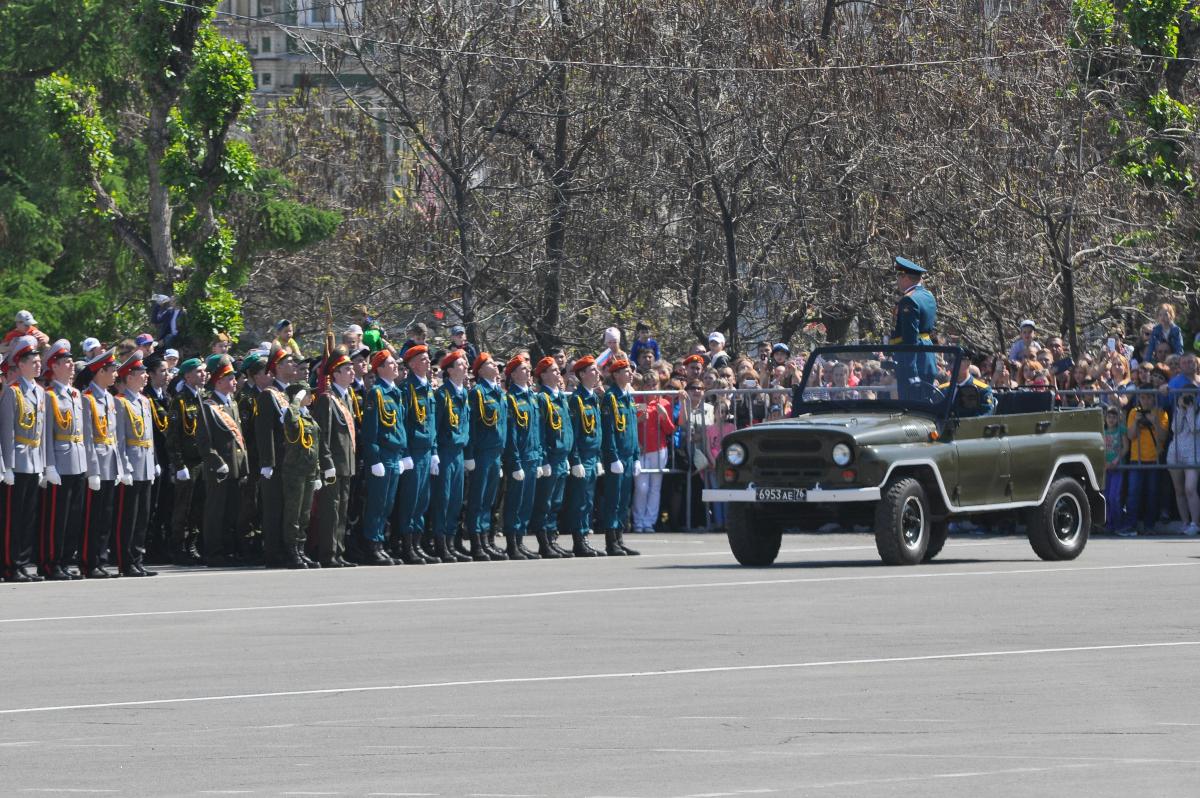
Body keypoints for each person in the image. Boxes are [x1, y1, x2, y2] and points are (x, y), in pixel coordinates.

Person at [1, 336, 47, 582]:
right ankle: (9, 564)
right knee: (13, 516)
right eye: (33, 361)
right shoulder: (13, 392)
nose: (39, 365)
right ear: (21, 365)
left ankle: (21, 563)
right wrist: (7, 466)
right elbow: (8, 431)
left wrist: (41, 464)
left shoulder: (39, 392)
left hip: (33, 461)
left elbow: (40, 431)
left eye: (39, 361)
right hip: (17, 461)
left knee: (28, 516)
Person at [40, 341, 87, 580]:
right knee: (56, 518)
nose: (71, 366)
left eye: (71, 362)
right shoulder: (49, 396)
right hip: (59, 462)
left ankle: (66, 560)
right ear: (54, 366)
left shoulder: (75, 394)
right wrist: (49, 465)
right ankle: (51, 562)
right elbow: (46, 434)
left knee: (73, 516)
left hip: (78, 462)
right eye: (66, 363)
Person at [76, 347, 124, 578]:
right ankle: (88, 561)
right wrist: (92, 471)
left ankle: (100, 560)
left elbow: (114, 437)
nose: (115, 374)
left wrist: (119, 468)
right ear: (100, 372)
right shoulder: (87, 399)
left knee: (106, 516)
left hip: (109, 464)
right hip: (96, 465)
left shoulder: (109, 398)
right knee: (92, 517)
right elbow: (87, 438)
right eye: (112, 370)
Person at [198, 353, 250, 566]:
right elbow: (204, 441)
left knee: (232, 511)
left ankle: (228, 549)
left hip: (235, 466)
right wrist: (217, 462)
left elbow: (239, 439)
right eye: (230, 378)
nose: (235, 381)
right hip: (219, 468)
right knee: (216, 512)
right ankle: (213, 551)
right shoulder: (208, 405)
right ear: (218, 381)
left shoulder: (233, 404)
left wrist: (244, 464)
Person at [112, 353, 158, 577]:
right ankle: (125, 561)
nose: (146, 376)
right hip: (131, 465)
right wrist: (124, 467)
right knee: (127, 517)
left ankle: (138, 558)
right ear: (129, 377)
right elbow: (119, 439)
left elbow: (149, 436)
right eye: (141, 373)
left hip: (146, 464)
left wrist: (154, 462)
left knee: (142, 516)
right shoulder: (120, 402)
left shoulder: (145, 401)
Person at [312, 348, 359, 568]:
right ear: (336, 373)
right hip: (333, 465)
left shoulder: (346, 398)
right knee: (330, 510)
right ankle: (328, 553)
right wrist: (327, 463)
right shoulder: (327, 400)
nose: (352, 372)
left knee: (342, 509)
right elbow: (323, 435)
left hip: (346, 464)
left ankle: (338, 551)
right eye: (347, 369)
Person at [360, 350, 407, 565]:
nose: (396, 366)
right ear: (379, 369)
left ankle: (381, 542)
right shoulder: (376, 393)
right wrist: (374, 459)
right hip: (382, 455)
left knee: (388, 504)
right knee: (377, 503)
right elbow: (370, 431)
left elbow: (400, 427)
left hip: (395, 454)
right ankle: (372, 544)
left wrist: (403, 454)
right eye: (390, 364)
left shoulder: (395, 393)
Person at [393, 344, 438, 563]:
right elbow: (404, 424)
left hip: (427, 451)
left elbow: (432, 422)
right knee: (410, 500)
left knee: (422, 500)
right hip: (414, 452)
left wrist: (435, 451)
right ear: (411, 364)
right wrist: (407, 453)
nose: (428, 362)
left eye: (428, 359)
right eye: (422, 359)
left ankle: (418, 544)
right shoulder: (406, 389)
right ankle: (407, 545)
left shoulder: (428, 388)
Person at [255, 346, 298, 568]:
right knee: (275, 508)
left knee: (291, 508)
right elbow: (265, 431)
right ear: (278, 367)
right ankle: (273, 552)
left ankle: (290, 549)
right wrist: (267, 462)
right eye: (289, 362)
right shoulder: (268, 395)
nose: (294, 366)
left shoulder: (292, 393)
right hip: (278, 461)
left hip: (293, 461)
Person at [464, 353, 508, 560]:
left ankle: (487, 540)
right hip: (481, 454)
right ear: (480, 370)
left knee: (489, 500)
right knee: (478, 499)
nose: (496, 367)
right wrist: (470, 454)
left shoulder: (498, 392)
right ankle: (477, 542)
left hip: (495, 454)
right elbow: (472, 426)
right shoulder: (478, 393)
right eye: (491, 364)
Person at [430, 349, 472, 562]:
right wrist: (435, 453)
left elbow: (467, 426)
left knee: (456, 500)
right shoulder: (442, 395)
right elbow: (435, 427)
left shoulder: (463, 393)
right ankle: (440, 543)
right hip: (445, 452)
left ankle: (451, 541)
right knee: (443, 499)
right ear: (449, 370)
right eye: (461, 364)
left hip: (458, 452)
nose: (465, 367)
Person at [529, 356, 574, 558]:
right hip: (551, 456)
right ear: (543, 375)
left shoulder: (561, 397)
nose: (558, 373)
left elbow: (568, 429)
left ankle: (552, 539)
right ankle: (543, 541)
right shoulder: (542, 399)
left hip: (562, 455)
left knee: (556, 502)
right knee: (545, 503)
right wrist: (545, 459)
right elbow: (541, 432)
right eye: (554, 370)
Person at [500, 354, 543, 560]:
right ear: (514, 373)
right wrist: (515, 462)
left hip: (533, 457)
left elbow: (538, 430)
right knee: (515, 502)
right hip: (521, 458)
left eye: (528, 368)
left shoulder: (532, 397)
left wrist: (540, 458)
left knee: (526, 502)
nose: (528, 372)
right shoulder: (512, 399)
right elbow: (512, 435)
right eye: (524, 369)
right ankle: (512, 542)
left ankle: (521, 540)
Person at [563, 355, 605, 556]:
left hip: (592, 456)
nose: (597, 373)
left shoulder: (593, 398)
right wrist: (576, 460)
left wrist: (597, 459)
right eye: (593, 370)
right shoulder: (577, 399)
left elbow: (597, 431)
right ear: (581, 374)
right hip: (581, 456)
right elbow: (574, 433)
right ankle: (578, 540)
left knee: (588, 500)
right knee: (579, 501)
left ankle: (584, 538)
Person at [598, 358, 641, 555]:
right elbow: (610, 431)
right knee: (613, 499)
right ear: (615, 375)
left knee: (624, 500)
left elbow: (633, 430)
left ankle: (620, 538)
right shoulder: (611, 398)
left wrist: (637, 456)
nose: (630, 374)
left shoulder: (628, 397)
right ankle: (611, 541)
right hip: (617, 456)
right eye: (625, 371)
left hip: (629, 455)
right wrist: (613, 456)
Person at [279, 383, 322, 568]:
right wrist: (295, 400)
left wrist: (318, 472)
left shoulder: (308, 417)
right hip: (294, 471)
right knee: (293, 514)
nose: (311, 396)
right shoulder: (291, 414)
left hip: (309, 471)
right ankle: (292, 552)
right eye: (307, 393)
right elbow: (293, 424)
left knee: (304, 514)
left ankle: (301, 550)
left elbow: (315, 446)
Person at [166, 358, 206, 564]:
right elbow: (172, 437)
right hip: (188, 463)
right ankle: (178, 547)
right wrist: (179, 465)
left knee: (197, 507)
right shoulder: (179, 401)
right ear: (188, 375)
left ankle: (192, 545)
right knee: (183, 507)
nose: (203, 375)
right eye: (198, 372)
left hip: (202, 462)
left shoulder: (203, 398)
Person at [1119, 386, 1168, 536]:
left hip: (1154, 459)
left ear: (1154, 398)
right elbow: (1130, 435)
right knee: (1133, 493)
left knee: (1152, 494)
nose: (1146, 401)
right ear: (1139, 399)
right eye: (1143, 398)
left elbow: (1163, 437)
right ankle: (1131, 525)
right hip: (1136, 459)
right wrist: (1137, 423)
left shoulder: (1161, 413)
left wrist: (1154, 422)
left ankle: (1149, 526)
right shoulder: (1134, 413)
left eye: (1149, 397)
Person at [888, 257, 938, 398]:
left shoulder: (909, 300)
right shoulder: (928, 296)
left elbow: (910, 339)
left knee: (911, 408)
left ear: (904, 277)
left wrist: (911, 372)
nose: (898, 281)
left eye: (899, 276)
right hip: (927, 356)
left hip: (913, 361)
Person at [633, 373, 676, 533]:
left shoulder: (664, 402)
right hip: (641, 450)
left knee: (655, 487)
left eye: (654, 384)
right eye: (648, 385)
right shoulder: (636, 401)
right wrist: (638, 421)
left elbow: (670, 429)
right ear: (643, 386)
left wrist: (664, 416)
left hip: (659, 449)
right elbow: (630, 425)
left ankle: (649, 522)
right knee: (641, 487)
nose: (652, 388)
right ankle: (638, 521)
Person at [143, 354, 173, 563]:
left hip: (168, 456)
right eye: (162, 371)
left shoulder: (166, 396)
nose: (166, 374)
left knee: (166, 504)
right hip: (154, 456)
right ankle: (149, 546)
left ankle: (161, 545)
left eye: (166, 371)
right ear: (151, 374)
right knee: (152, 505)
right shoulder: (147, 397)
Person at [1165, 365, 1200, 536]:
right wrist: (1180, 409)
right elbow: (1175, 429)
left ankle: (1195, 522)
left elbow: (1195, 428)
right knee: (1179, 490)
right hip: (1176, 451)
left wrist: (1191, 409)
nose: (1188, 398)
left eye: (1191, 395)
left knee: (1190, 488)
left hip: (1193, 452)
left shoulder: (1197, 410)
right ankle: (1185, 522)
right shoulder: (1179, 408)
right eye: (1186, 395)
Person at [1102, 406, 1126, 533]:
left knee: (1114, 496)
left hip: (1117, 466)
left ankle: (1118, 523)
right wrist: (1105, 462)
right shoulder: (1102, 431)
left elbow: (1125, 447)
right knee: (1106, 496)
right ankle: (1109, 524)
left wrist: (1117, 459)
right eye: (1109, 417)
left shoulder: (1120, 430)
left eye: (1114, 417)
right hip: (1106, 468)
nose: (1111, 419)